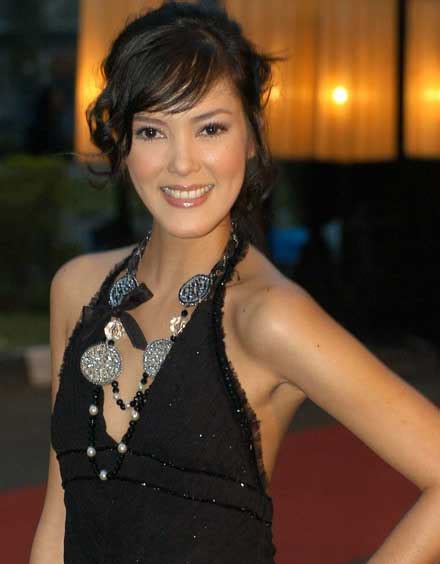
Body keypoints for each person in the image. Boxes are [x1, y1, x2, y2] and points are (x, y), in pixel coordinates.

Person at [30, 2, 440, 563]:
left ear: (251, 135)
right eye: (152, 131)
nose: (182, 163)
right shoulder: (76, 289)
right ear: (123, 142)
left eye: (210, 128)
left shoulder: (267, 317)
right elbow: (59, 516)